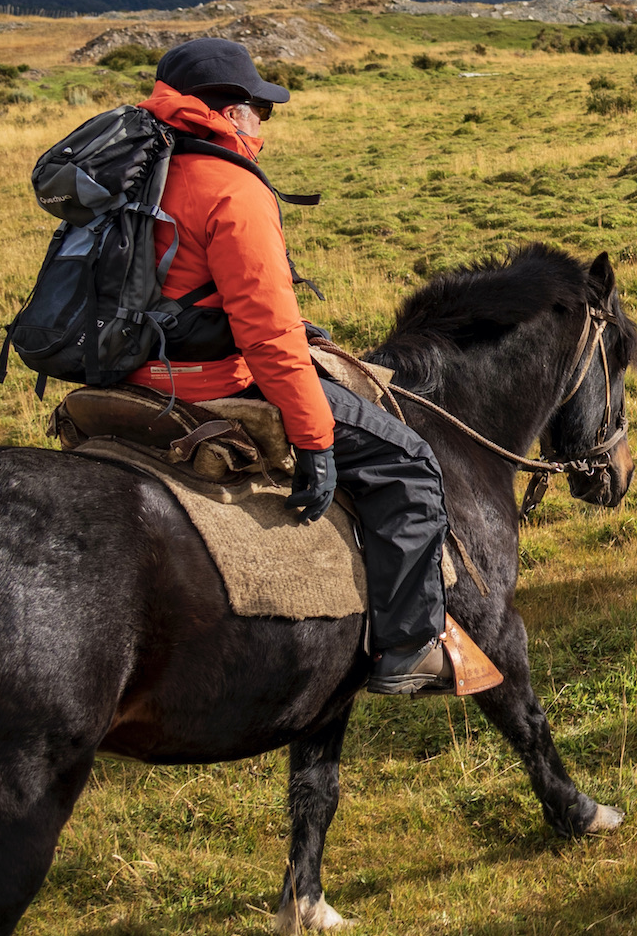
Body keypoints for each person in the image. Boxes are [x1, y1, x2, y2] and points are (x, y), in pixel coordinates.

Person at [131, 38, 455, 694]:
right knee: (410, 463)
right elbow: (270, 338)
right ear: (231, 112)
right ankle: (407, 650)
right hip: (209, 381)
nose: (264, 126)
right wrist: (315, 439)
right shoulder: (229, 188)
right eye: (261, 110)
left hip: (132, 372)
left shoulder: (140, 171)